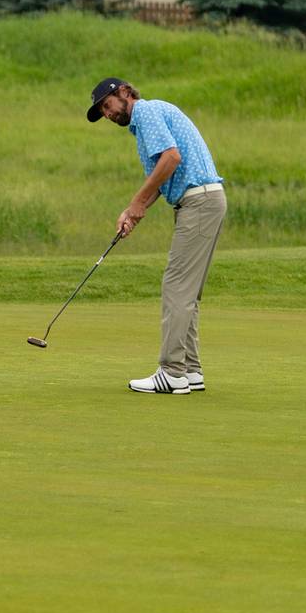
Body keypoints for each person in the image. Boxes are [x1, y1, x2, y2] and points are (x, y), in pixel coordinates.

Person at [86, 76, 226, 395]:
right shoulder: (147, 120)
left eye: (107, 106)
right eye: (103, 113)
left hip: (199, 202)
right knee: (185, 290)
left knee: (176, 286)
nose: (107, 114)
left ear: (124, 93)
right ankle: (190, 371)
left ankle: (172, 372)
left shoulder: (145, 112)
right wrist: (134, 212)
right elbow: (164, 177)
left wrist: (136, 203)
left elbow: (172, 158)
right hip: (202, 200)